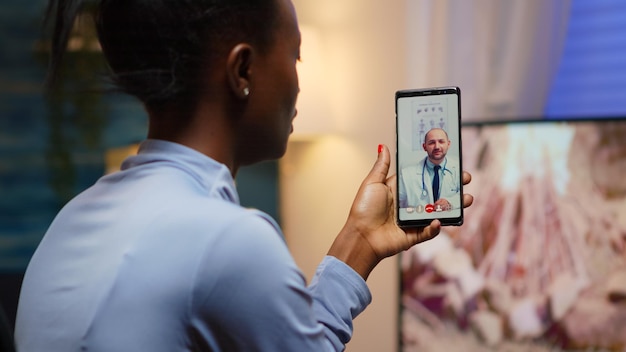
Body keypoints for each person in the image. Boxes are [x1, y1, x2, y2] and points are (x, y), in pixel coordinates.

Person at [15, 0, 473, 351]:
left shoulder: (75, 218)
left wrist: (362, 239)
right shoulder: (224, 239)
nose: (299, 84)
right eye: (295, 57)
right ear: (242, 70)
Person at [398, 128, 462, 211]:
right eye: (432, 143)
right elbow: (397, 204)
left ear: (448, 144)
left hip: (448, 222)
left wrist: (450, 202)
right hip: (419, 222)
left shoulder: (458, 169)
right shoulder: (406, 175)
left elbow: (465, 195)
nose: (437, 147)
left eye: (441, 142)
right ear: (424, 147)